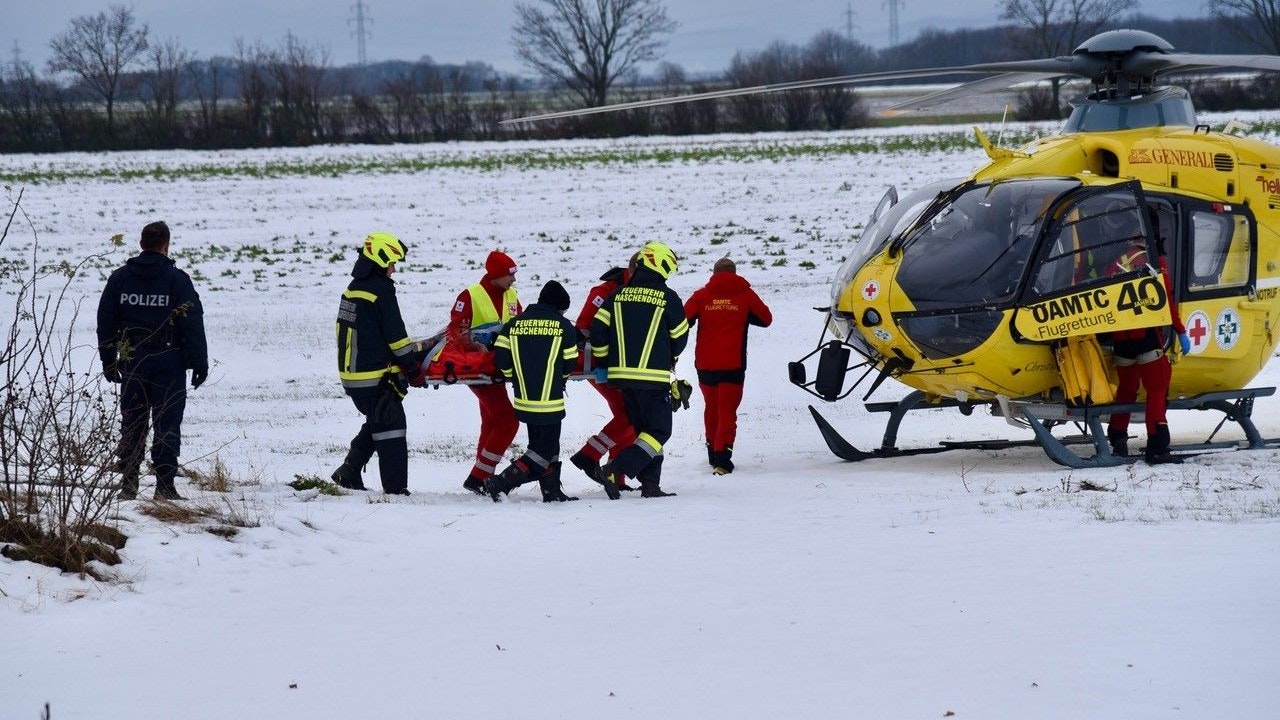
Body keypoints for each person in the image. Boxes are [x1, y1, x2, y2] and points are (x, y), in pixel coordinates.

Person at [96, 220, 208, 501]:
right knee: (167, 423)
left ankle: (129, 484)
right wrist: (199, 362)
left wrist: (108, 360)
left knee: (132, 422)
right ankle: (165, 486)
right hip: (169, 362)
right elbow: (192, 322)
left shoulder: (120, 279)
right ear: (166, 246)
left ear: (141, 244)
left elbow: (105, 322)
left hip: (132, 360)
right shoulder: (177, 280)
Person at [590, 241, 689, 499]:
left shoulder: (617, 295)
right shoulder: (668, 297)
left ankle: (650, 485)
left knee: (646, 433)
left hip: (621, 378)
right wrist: (671, 355)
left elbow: (598, 331)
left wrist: (604, 360)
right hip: (653, 377)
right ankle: (615, 469)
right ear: (662, 265)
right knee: (659, 431)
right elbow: (680, 336)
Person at [332, 232, 424, 495]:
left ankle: (348, 471)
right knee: (392, 428)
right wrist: (412, 366)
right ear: (380, 260)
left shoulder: (353, 288)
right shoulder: (381, 290)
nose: (394, 269)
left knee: (378, 420)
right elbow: (395, 336)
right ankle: (396, 491)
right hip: (374, 377)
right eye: (392, 263)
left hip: (353, 376)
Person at [483, 280, 580, 502]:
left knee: (544, 446)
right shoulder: (564, 327)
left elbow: (502, 360)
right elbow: (569, 363)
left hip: (524, 398)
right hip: (551, 399)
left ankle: (551, 491)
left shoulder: (514, 325)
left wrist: (516, 376)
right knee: (542, 452)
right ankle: (500, 482)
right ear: (559, 307)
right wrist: (559, 380)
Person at [1105, 217, 1190, 464]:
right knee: (1157, 389)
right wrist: (1180, 330)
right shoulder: (1154, 263)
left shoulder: (1114, 265)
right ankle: (1158, 446)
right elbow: (1165, 301)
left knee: (1126, 390)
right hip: (1146, 339)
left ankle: (1118, 439)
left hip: (1121, 341)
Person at [683, 257, 773, 474]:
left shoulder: (701, 295)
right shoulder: (746, 295)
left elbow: (683, 319)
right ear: (734, 272)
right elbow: (766, 319)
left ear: (714, 273)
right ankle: (722, 459)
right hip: (733, 365)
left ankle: (712, 452)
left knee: (711, 408)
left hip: (705, 364)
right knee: (727, 412)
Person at [445, 250, 522, 495]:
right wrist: (472, 345)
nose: (514, 280)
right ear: (496, 275)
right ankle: (478, 477)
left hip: (498, 368)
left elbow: (518, 322)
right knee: (508, 422)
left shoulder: (511, 295)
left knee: (491, 422)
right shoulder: (470, 295)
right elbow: (456, 331)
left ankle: (483, 476)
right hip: (477, 369)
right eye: (510, 275)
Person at [567, 263, 638, 491]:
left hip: (625, 366)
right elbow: (583, 329)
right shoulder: (604, 292)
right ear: (634, 270)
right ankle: (590, 454)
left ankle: (615, 476)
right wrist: (607, 351)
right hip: (600, 366)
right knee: (628, 414)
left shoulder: (636, 289)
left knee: (626, 415)